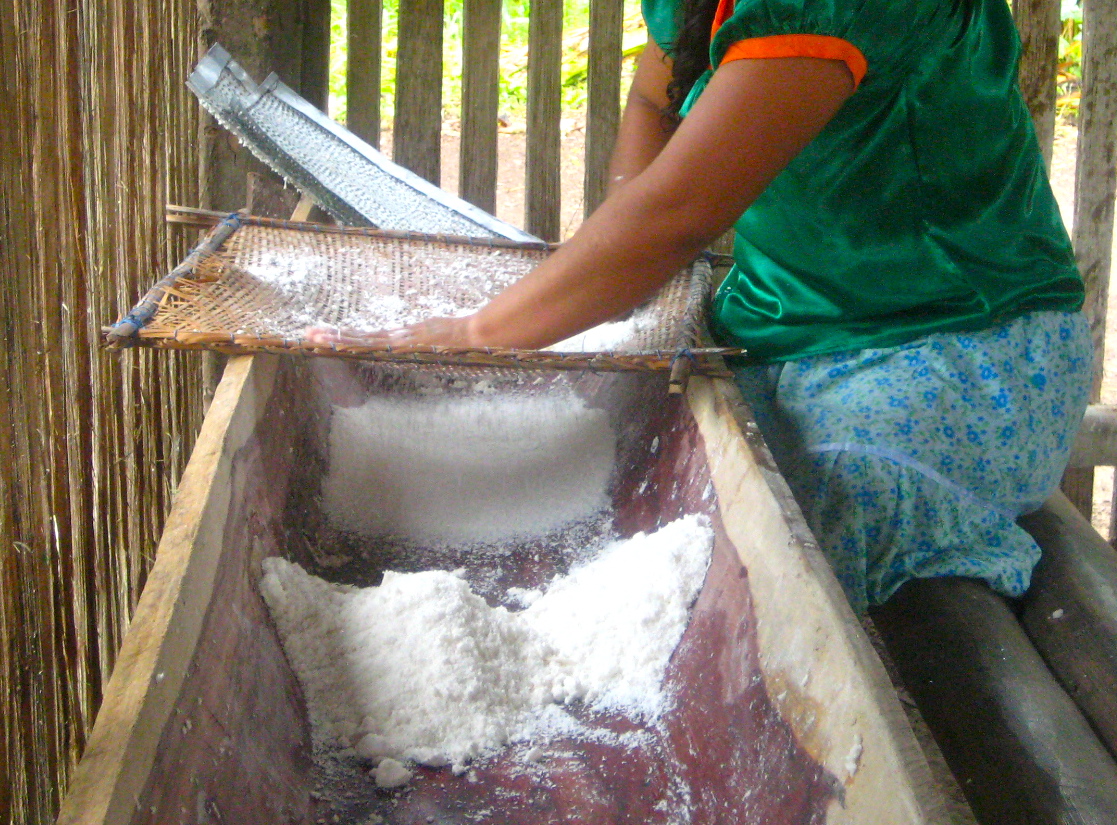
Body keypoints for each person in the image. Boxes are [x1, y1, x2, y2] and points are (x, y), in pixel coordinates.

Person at [309, 0, 1090, 616]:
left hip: (952, 348)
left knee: (801, 541)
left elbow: (675, 216)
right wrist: (625, 232)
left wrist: (480, 331)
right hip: (784, 319)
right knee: (668, 481)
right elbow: (658, 98)